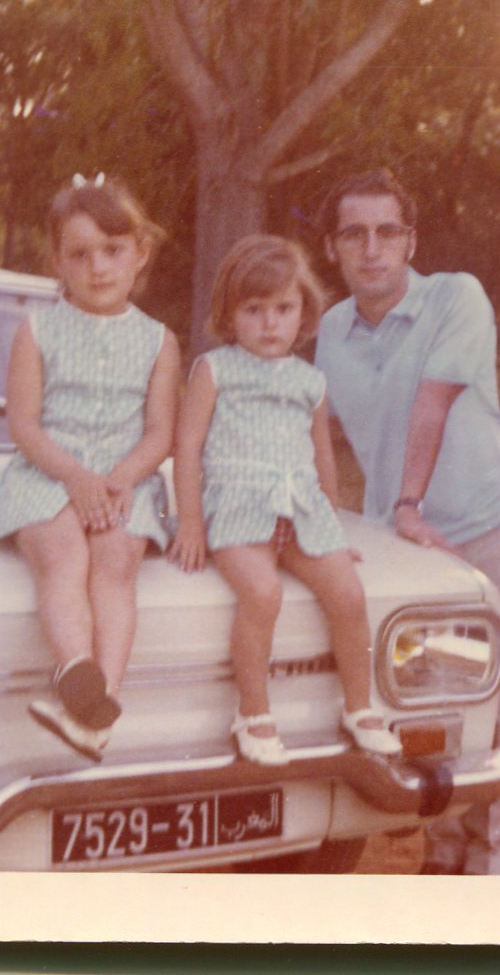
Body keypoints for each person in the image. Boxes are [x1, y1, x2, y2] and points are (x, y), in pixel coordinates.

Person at [314, 169, 500, 875]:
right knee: (436, 708)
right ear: (333, 248)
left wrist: (409, 504)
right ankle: (442, 858)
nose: (372, 248)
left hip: (488, 524)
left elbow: (432, 404)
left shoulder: (457, 297)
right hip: (408, 549)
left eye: (388, 232)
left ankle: (496, 870)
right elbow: (314, 433)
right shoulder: (328, 331)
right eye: (355, 234)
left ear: (410, 240)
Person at [168, 234, 402, 765]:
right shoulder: (215, 369)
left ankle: (360, 706)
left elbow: (321, 460)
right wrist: (190, 524)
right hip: (236, 510)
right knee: (262, 592)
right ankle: (253, 713)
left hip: (300, 512)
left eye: (283, 308)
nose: (270, 323)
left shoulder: (309, 381)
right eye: (254, 310)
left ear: (305, 312)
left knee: (347, 593)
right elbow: (187, 447)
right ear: (230, 315)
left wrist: (334, 530)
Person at [0, 173, 179, 763]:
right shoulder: (37, 330)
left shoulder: (157, 340)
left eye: (113, 250)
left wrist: (117, 481)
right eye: (80, 254)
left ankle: (101, 704)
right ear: (58, 263)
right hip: (48, 474)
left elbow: (160, 433)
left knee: (117, 561)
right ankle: (75, 671)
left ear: (140, 253)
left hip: (125, 479)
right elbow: (24, 425)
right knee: (64, 554)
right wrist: (74, 478)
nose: (98, 267)